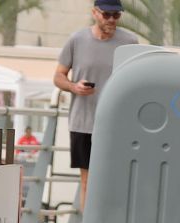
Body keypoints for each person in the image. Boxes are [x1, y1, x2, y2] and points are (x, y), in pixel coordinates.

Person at [54, 0, 139, 210]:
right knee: (88, 182)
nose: (111, 20)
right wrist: (75, 87)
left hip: (117, 125)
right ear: (95, 13)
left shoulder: (130, 41)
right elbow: (58, 76)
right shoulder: (77, 39)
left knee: (116, 181)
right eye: (107, 15)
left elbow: (138, 79)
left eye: (116, 16)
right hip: (83, 123)